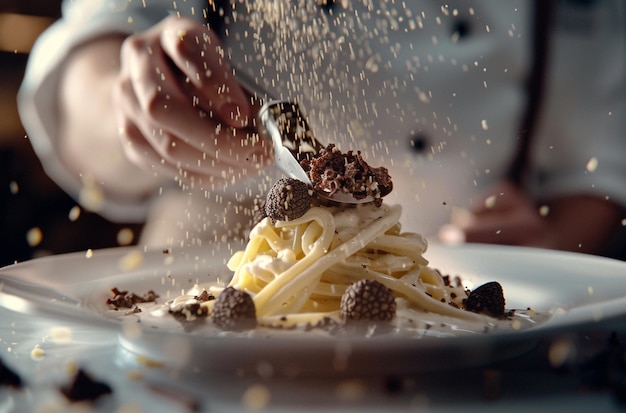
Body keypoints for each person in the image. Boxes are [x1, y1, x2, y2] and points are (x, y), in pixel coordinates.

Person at [18, 0, 626, 257]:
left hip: (451, 290)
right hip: (211, 261)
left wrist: (547, 245)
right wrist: (128, 107)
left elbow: (600, 161)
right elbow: (87, 59)